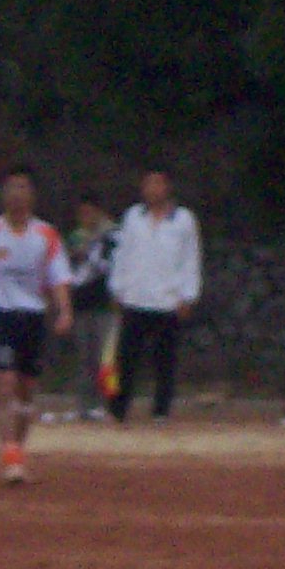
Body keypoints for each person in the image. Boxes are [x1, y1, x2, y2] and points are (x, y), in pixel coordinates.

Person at [0, 168, 74, 486]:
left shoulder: (46, 235)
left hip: (33, 318)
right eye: (11, 188)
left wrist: (64, 311)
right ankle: (10, 457)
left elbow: (58, 277)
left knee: (25, 391)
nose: (17, 194)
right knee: (4, 386)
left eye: (23, 187)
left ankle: (18, 449)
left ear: (32, 194)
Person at [107, 169, 202, 424]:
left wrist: (188, 295)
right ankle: (118, 409)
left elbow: (191, 259)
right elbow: (122, 254)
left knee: (165, 361)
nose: (152, 189)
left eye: (157, 184)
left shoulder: (183, 219)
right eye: (148, 184)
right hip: (135, 298)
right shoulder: (133, 217)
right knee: (126, 359)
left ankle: (161, 410)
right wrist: (117, 288)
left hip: (168, 301)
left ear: (167, 187)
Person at [67, 194, 120, 419]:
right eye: (82, 213)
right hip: (81, 305)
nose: (85, 217)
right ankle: (84, 406)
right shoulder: (76, 237)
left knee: (105, 359)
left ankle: (109, 404)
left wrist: (91, 252)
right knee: (84, 358)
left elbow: (113, 265)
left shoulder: (113, 235)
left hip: (105, 305)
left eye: (89, 212)